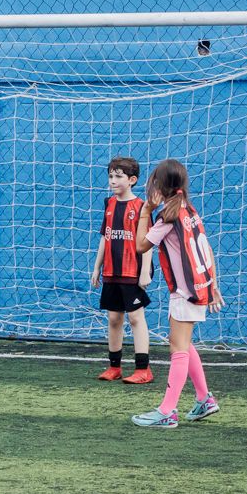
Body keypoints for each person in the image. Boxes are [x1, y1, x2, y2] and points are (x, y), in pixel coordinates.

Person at [131, 159, 224, 429]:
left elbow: (140, 246)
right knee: (181, 341)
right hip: (199, 286)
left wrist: (146, 210)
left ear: (159, 186)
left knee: (178, 349)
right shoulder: (189, 210)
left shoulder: (167, 217)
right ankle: (204, 398)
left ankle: (167, 411)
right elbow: (206, 250)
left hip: (186, 292)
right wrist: (213, 284)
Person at [90, 156, 153, 383]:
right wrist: (97, 267)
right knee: (114, 318)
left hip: (132, 271)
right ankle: (114, 367)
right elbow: (104, 238)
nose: (113, 181)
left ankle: (143, 369)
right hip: (111, 272)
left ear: (132, 180)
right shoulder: (109, 204)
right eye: (110, 176)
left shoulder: (141, 207)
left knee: (136, 318)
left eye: (118, 176)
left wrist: (145, 270)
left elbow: (148, 242)